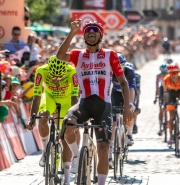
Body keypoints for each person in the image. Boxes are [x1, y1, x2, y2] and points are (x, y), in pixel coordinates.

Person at [56, 19, 133, 185]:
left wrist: (127, 107)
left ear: (101, 35)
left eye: (95, 30)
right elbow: (60, 56)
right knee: (68, 124)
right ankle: (76, 156)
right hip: (83, 104)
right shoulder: (77, 54)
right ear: (84, 35)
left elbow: (124, 83)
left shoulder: (110, 55)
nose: (91, 32)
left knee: (104, 149)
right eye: (87, 30)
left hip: (104, 106)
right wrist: (72, 33)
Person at [26, 55, 79, 185]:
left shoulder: (72, 71)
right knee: (42, 116)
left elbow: (74, 97)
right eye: (53, 77)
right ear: (48, 69)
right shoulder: (41, 71)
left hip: (67, 99)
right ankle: (45, 151)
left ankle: (67, 179)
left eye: (59, 77)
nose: (56, 81)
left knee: (65, 135)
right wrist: (33, 117)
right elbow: (37, 95)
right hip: (49, 97)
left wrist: (74, 117)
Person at [108, 54, 136, 168]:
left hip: (127, 93)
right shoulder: (110, 70)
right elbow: (108, 86)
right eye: (117, 66)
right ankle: (109, 155)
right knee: (112, 124)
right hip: (115, 93)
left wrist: (130, 104)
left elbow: (132, 88)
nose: (119, 68)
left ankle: (129, 133)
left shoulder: (129, 71)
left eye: (122, 66)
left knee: (130, 111)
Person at [163, 63, 180, 146]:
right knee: (171, 116)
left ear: (178, 72)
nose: (173, 75)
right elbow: (166, 93)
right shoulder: (166, 79)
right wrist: (165, 104)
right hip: (171, 93)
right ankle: (170, 136)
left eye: (175, 73)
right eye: (171, 73)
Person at [154, 63, 169, 135]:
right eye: (162, 73)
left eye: (165, 73)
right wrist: (156, 97)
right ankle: (160, 127)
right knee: (161, 109)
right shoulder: (158, 76)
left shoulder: (170, 76)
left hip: (169, 91)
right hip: (161, 91)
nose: (164, 75)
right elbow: (157, 88)